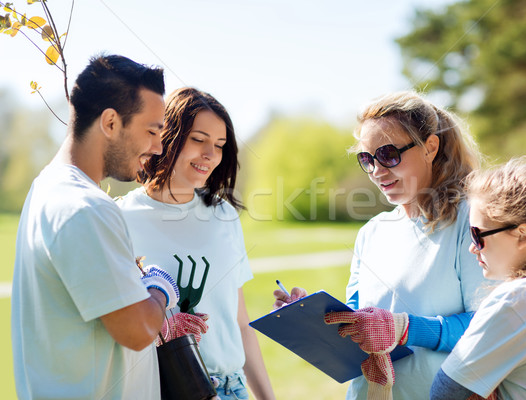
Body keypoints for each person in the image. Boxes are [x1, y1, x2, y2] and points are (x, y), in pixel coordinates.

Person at [274, 91, 492, 399]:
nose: (377, 170)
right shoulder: (371, 232)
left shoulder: (470, 222)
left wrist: (402, 328)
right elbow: (358, 324)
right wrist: (314, 317)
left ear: (430, 147)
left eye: (389, 154)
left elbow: (487, 326)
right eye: (367, 158)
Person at [11, 54, 181, 399]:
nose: (158, 147)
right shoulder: (85, 208)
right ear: (110, 123)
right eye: (151, 130)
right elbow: (138, 330)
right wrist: (160, 286)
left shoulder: (47, 188)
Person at [117, 87, 276, 400]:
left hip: (233, 390)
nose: (210, 155)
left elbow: (240, 324)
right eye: (198, 139)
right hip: (166, 390)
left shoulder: (223, 215)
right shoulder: (121, 218)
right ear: (167, 136)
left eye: (218, 145)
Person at [430, 159, 526, 400]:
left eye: (477, 234)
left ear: (522, 236)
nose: (473, 248)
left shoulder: (516, 299)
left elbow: (444, 392)